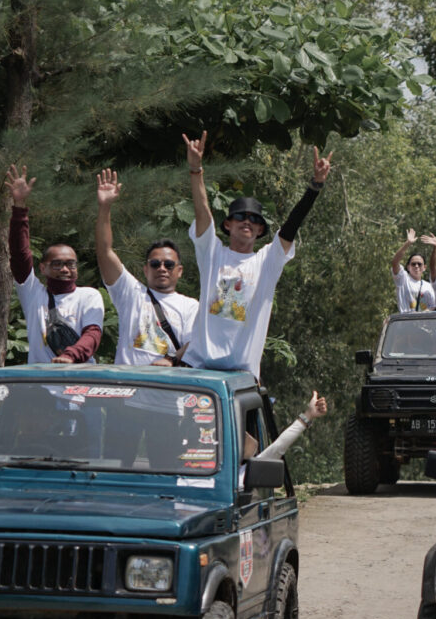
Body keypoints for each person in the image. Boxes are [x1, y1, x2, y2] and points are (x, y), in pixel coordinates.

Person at [181, 131, 331, 381]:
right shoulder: (212, 252)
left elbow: (291, 227)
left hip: (242, 374)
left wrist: (314, 187)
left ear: (261, 230)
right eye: (240, 216)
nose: (247, 222)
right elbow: (203, 212)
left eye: (254, 219)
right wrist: (196, 170)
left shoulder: (266, 262)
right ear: (228, 224)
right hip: (198, 367)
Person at [94, 169, 199, 364]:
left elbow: (195, 342)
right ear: (145, 269)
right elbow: (105, 251)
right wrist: (105, 207)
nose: (162, 268)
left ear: (180, 271)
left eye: (169, 264)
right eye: (155, 263)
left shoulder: (190, 306)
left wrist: (170, 359)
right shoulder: (131, 294)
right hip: (126, 390)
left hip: (166, 391)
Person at [5, 165, 104, 364]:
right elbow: (20, 254)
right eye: (57, 264)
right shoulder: (33, 294)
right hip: (42, 386)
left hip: (80, 386)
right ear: (43, 268)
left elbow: (92, 334)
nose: (66, 269)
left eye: (71, 264)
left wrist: (70, 355)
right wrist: (19, 208)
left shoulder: (89, 296)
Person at [241, 391, 328, 485]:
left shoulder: (241, 475)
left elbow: (277, 448)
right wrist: (308, 416)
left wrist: (308, 416)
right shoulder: (240, 479)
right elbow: (278, 448)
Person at [390, 230, 436, 312]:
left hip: (423, 323)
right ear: (408, 267)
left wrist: (425, 312)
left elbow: (433, 306)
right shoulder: (403, 279)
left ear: (424, 267)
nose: (416, 266)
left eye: (419, 264)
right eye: (413, 264)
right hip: (405, 322)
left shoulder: (429, 286)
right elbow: (395, 262)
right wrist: (407, 243)